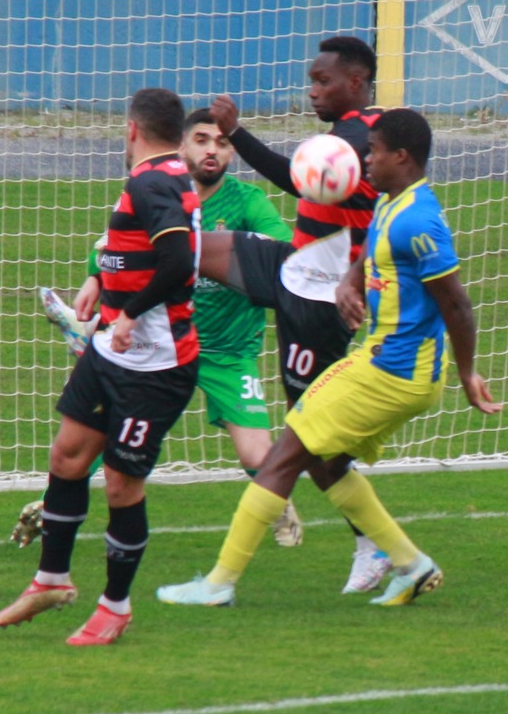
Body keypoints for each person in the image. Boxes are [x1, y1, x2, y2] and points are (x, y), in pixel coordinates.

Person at [156, 108, 501, 609]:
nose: (366, 158)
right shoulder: (392, 203)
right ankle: (410, 564)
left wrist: (468, 372)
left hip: (393, 372)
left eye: (375, 151)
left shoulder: (419, 221)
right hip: (380, 363)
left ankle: (218, 584)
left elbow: (457, 304)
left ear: (401, 157)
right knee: (325, 460)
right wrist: (348, 282)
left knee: (284, 456)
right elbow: (368, 253)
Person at [17, 109, 306, 548]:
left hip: (229, 352)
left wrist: (237, 257)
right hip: (160, 346)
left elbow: (281, 255)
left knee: (256, 454)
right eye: (203, 139)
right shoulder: (157, 191)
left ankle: (275, 496)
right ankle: (50, 503)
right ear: (183, 146)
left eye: (222, 142)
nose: (212, 149)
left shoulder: (248, 202)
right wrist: (96, 277)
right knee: (105, 433)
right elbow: (114, 247)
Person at [0, 87, 200, 646]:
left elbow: (179, 262)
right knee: (68, 454)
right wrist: (100, 281)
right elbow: (138, 247)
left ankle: (116, 606)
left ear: (131, 129)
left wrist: (129, 312)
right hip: (111, 350)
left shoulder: (152, 181)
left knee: (121, 485)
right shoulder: (164, 177)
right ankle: (52, 579)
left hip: (154, 366)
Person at [206, 35, 393, 592]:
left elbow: (295, 178)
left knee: (309, 436)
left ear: (355, 82)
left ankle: (373, 544)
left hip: (318, 299)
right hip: (293, 263)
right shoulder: (357, 131)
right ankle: (116, 320)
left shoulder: (356, 140)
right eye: (312, 80)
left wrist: (238, 133)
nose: (312, 91)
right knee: (184, 246)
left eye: (323, 81)